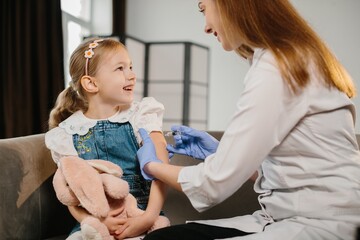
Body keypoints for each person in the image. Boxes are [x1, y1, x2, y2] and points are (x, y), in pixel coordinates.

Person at [135, 0, 360, 239]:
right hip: (289, 217)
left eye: (203, 9)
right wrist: (221, 153)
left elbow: (212, 184)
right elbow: (296, 168)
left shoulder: (279, 67)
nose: (206, 27)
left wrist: (152, 165)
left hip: (321, 224)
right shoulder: (289, 57)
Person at [45, 37, 169, 240]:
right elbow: (72, 194)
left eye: (130, 67)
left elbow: (162, 170)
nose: (132, 75)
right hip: (94, 222)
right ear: (91, 83)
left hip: (142, 216)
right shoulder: (66, 133)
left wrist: (148, 217)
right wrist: (92, 220)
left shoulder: (141, 116)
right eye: (120, 68)